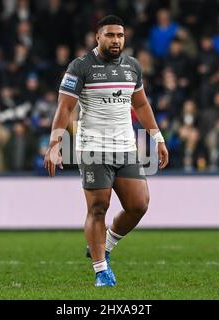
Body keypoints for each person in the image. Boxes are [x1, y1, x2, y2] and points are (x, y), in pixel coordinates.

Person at [44, 15, 168, 287]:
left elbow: (142, 105)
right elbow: (65, 108)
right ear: (97, 37)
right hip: (93, 149)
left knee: (139, 205)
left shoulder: (132, 67)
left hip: (126, 147)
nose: (116, 40)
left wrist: (157, 137)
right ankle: (101, 270)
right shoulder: (80, 66)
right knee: (99, 208)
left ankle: (105, 244)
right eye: (110, 35)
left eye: (120, 36)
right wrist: (54, 144)